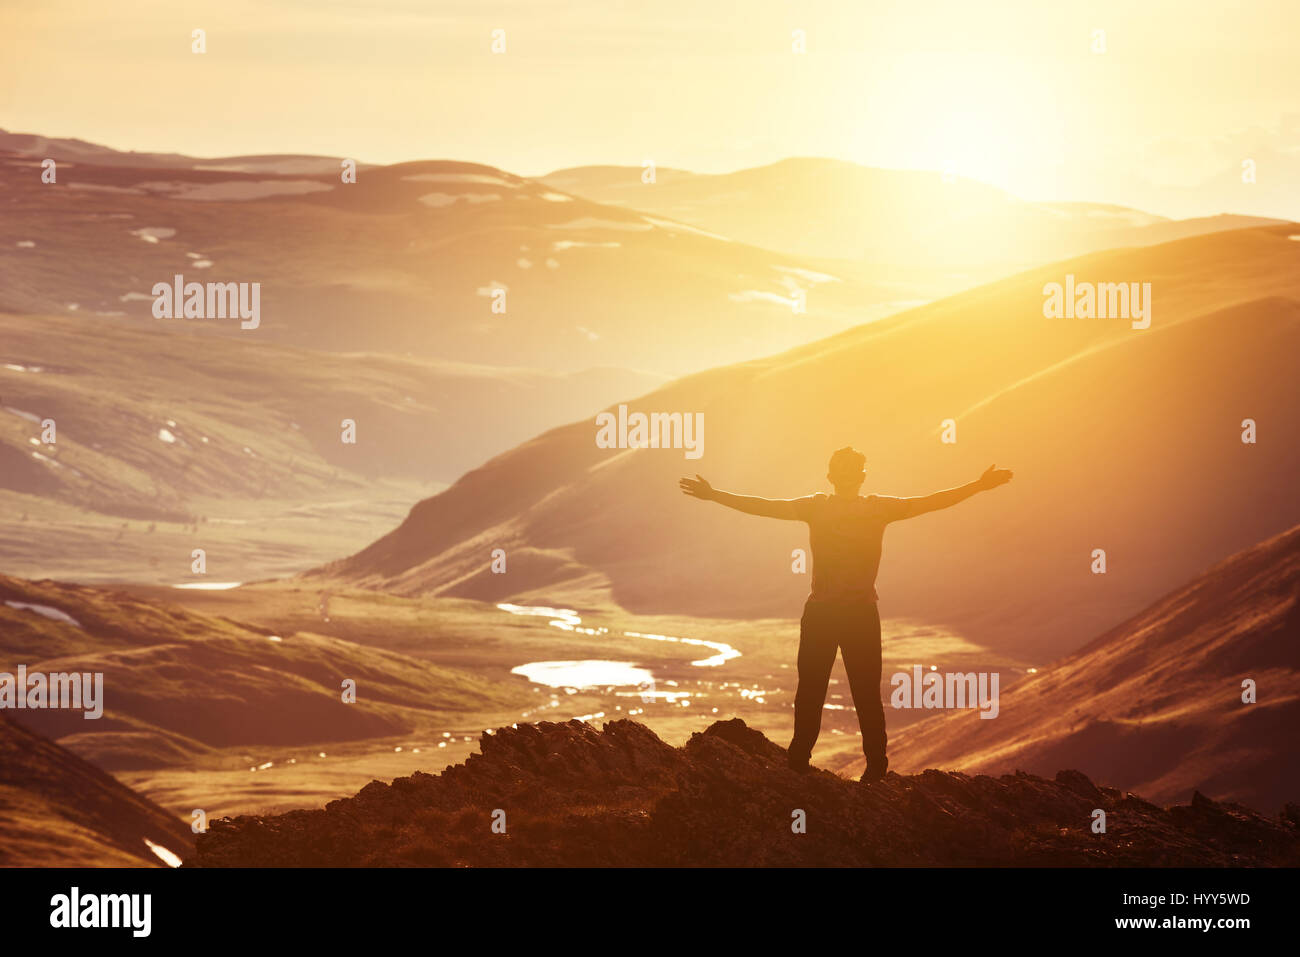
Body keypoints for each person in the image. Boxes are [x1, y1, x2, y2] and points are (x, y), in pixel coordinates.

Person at [679, 448, 1012, 782]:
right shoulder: (878, 508)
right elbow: (933, 500)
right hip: (860, 615)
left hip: (824, 612)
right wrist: (977, 486)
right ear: (861, 477)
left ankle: (799, 763)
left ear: (831, 477)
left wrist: (715, 496)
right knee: (864, 693)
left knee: (811, 690)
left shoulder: (818, 507)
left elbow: (765, 507)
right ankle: (875, 768)